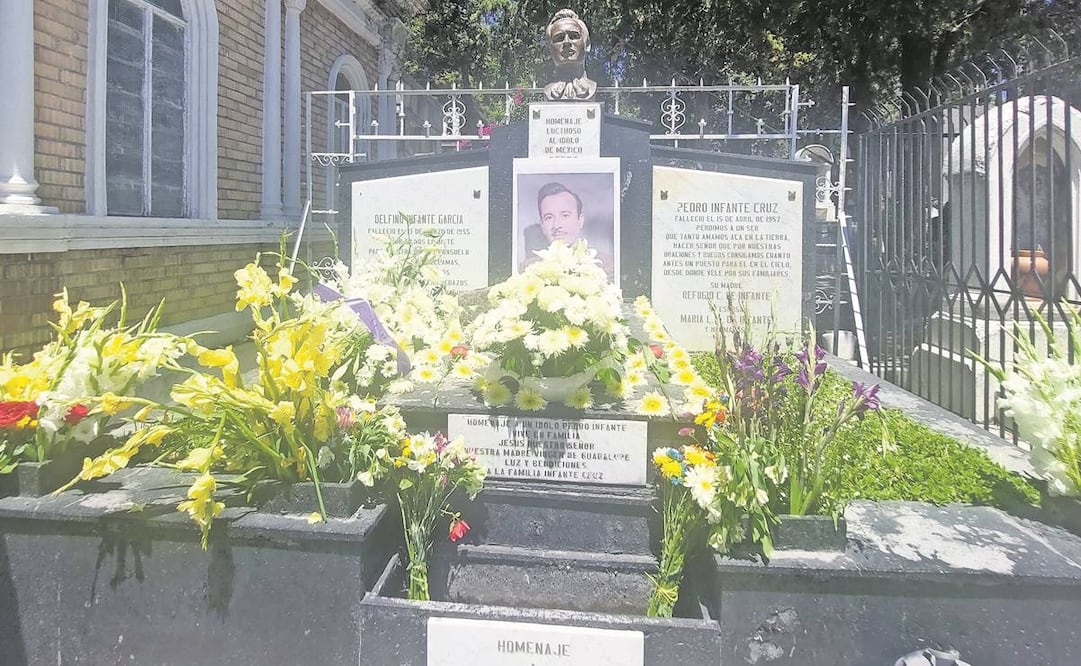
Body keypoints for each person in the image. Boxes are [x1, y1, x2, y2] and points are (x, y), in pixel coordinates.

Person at [521, 181, 615, 278]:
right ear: (543, 226)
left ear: (580, 221)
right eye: (549, 217)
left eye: (565, 215)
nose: (556, 225)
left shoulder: (607, 265)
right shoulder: (528, 269)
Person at [542, 9, 597, 101]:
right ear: (550, 48)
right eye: (559, 38)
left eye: (574, 36)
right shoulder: (548, 91)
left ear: (586, 44)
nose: (566, 42)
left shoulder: (593, 87)